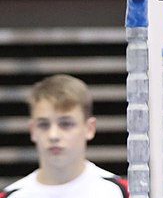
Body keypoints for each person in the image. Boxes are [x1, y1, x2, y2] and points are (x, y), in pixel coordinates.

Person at [0, 74, 128, 198]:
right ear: (32, 130)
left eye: (66, 124)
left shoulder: (121, 192)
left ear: (89, 128)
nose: (53, 135)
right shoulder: (11, 195)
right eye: (43, 125)